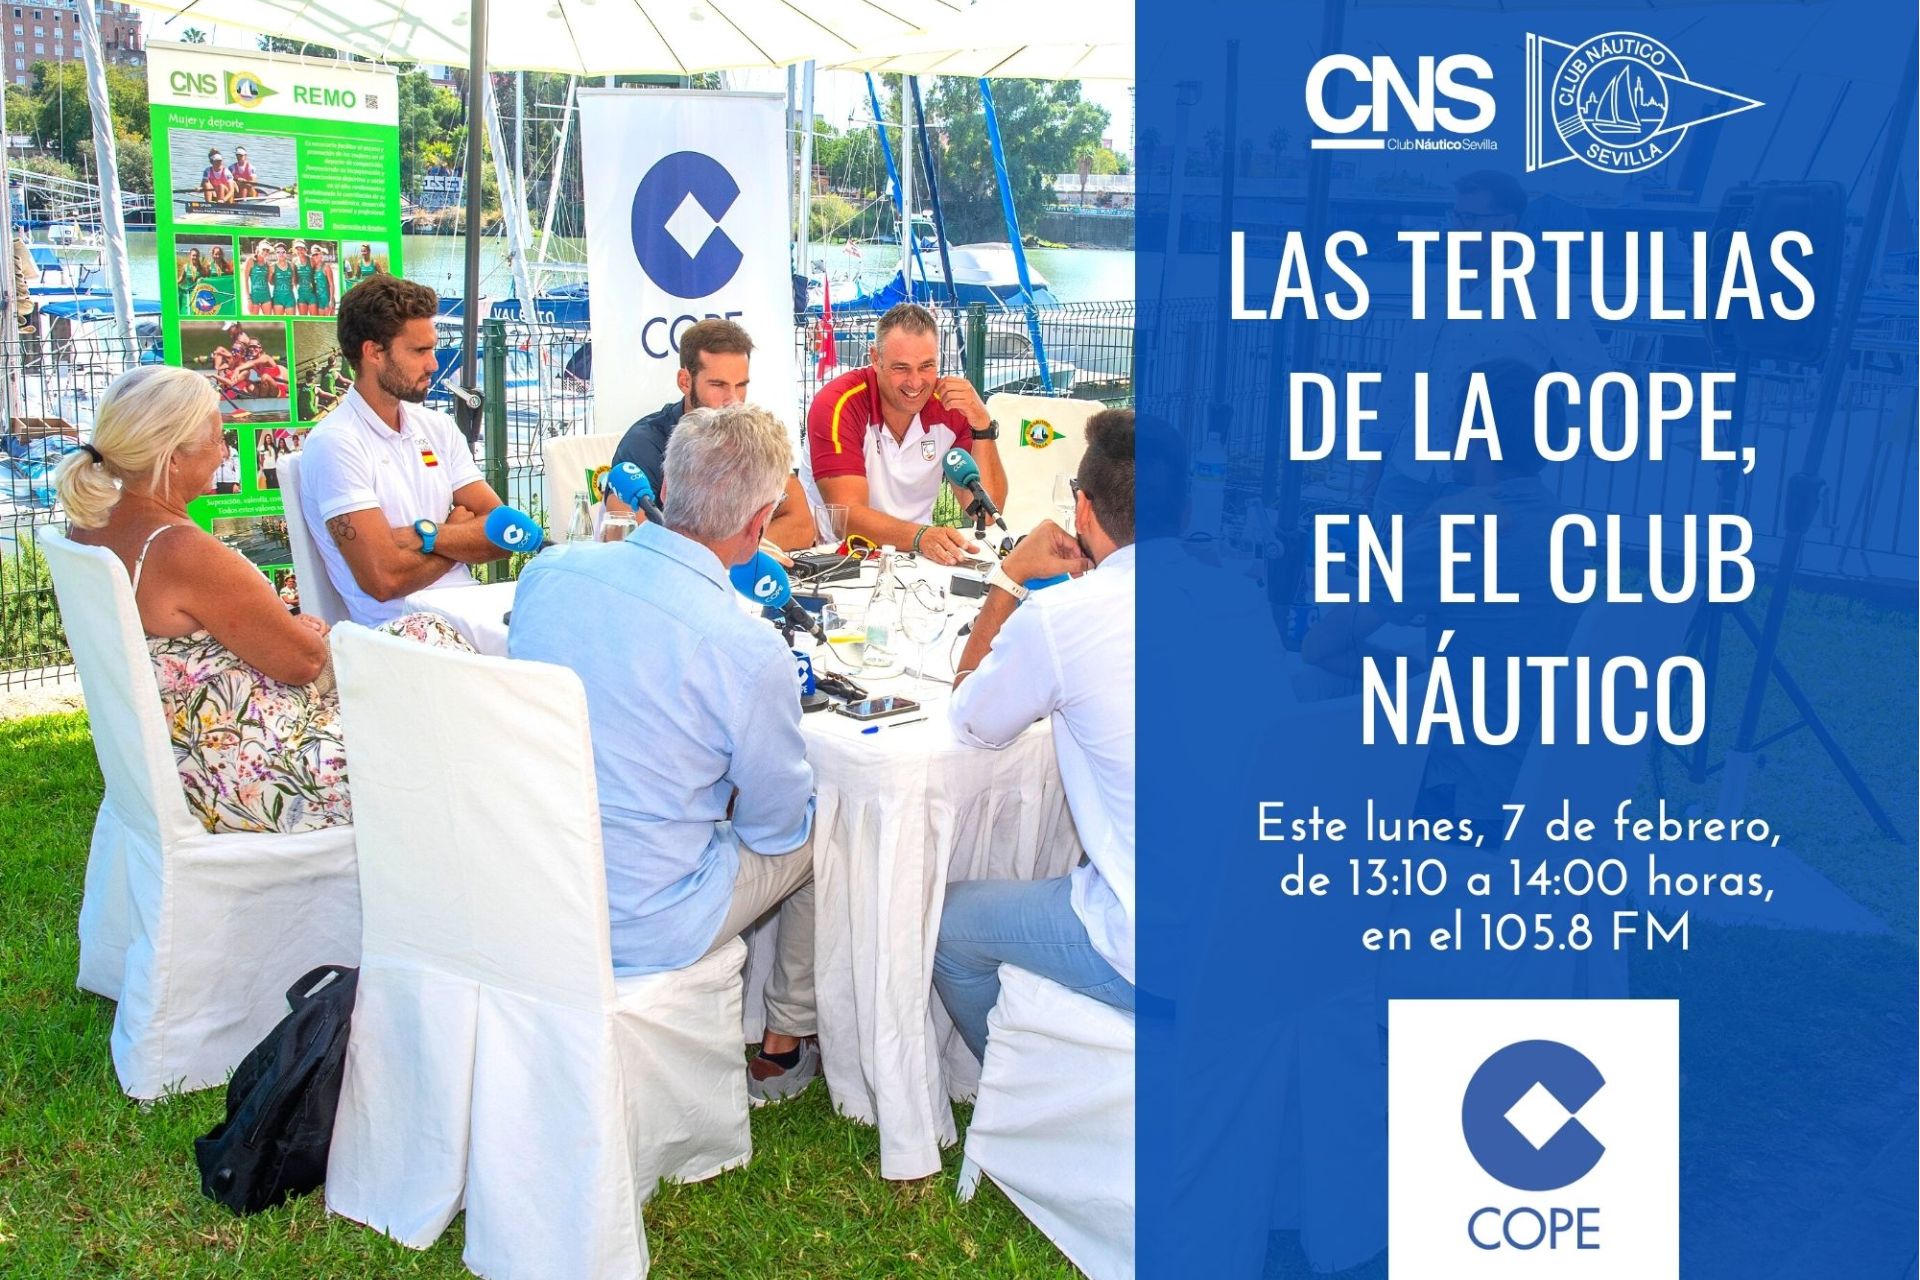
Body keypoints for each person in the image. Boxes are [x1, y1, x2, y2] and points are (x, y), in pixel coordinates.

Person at [510, 403, 822, 1102]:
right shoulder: (747, 649)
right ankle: (785, 1040)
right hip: (643, 919)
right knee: (829, 826)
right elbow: (776, 831)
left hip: (534, 875)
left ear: (667, 484)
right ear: (759, 523)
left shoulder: (549, 572)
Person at [53, 366, 469, 834]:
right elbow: (303, 663)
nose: (224, 452)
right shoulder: (180, 549)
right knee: (453, 711)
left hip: (190, 758)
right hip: (260, 774)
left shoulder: (91, 527)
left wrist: (285, 630)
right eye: (218, 439)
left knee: (426, 633)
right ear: (172, 458)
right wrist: (299, 632)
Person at [933, 408, 1136, 1059]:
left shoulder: (1065, 614)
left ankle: (1018, 1090)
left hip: (1152, 947)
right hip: (1271, 927)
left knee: (947, 928)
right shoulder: (1241, 595)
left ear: (1083, 508)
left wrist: (1009, 577)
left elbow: (971, 719)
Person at [1307, 358, 1586, 823]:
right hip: (1542, 791)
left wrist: (1418, 679)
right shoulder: (1567, 530)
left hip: (1461, 801)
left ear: (1475, 437)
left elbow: (1320, 646)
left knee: (1307, 767)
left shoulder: (1460, 533)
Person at [1370, 171, 1606, 522]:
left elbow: (1595, 378)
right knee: (1380, 555)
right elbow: (1401, 378)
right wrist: (1375, 464)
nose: (1456, 228)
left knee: (1460, 561)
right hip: (1407, 469)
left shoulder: (1544, 293)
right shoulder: (1436, 286)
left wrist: (1534, 452)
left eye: (1469, 219)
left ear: (1507, 224)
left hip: (1484, 482)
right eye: (1455, 216)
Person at [299, 274, 510, 626]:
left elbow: (504, 534)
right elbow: (385, 580)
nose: (434, 364)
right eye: (419, 351)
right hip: (405, 637)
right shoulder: (335, 443)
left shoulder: (437, 427)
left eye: (432, 349)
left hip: (471, 616)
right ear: (373, 353)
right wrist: (454, 539)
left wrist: (425, 535)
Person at [807, 302, 1007, 567]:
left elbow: (986, 513)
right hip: (835, 559)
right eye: (901, 368)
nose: (915, 382)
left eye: (926, 366)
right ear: (875, 359)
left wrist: (982, 426)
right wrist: (920, 536)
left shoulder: (952, 407)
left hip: (916, 559)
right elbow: (846, 518)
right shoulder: (838, 403)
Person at [610, 318, 815, 552]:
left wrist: (740, 553)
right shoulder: (643, 444)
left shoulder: (750, 434)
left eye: (741, 385)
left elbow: (802, 525)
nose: (733, 400)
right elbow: (628, 540)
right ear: (685, 382)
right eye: (718, 385)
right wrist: (729, 553)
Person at [246, 244, 272, 316]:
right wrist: (248, 298)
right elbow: (245, 280)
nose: (265, 252)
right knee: (254, 321)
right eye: (263, 249)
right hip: (254, 296)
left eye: (267, 250)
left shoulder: (267, 264)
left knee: (268, 320)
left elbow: (268, 281)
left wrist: (271, 272)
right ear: (258, 249)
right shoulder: (251, 260)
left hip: (266, 296)